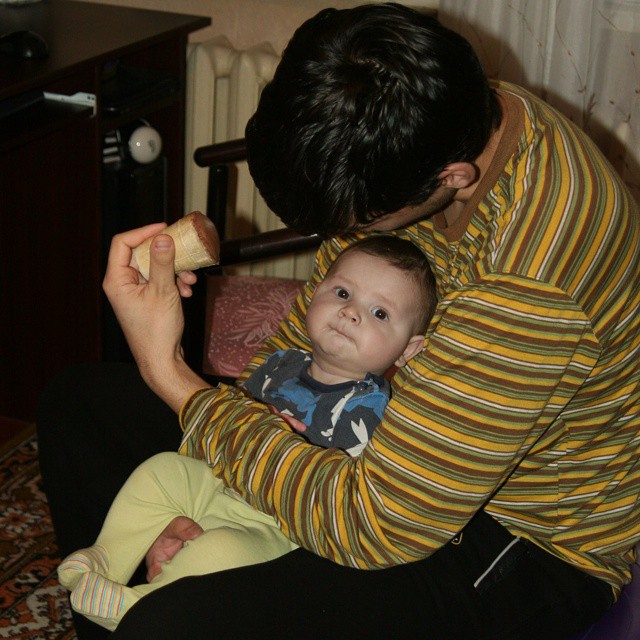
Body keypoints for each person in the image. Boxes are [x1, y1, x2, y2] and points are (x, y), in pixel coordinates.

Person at [37, 4, 640, 639]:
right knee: (80, 404)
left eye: (356, 225)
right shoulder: (436, 114)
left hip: (512, 531)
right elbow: (298, 352)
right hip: (367, 438)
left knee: (176, 622)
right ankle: (124, 599)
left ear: (453, 178)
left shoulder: (532, 282)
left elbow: (375, 524)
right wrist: (216, 484)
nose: (338, 243)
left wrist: (170, 373)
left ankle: (149, 610)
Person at [56, 236, 436, 631]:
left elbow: (347, 495)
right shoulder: (281, 363)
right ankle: (106, 559)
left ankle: (137, 607)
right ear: (314, 293)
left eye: (379, 313)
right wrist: (183, 494)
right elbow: (221, 428)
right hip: (224, 482)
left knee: (221, 550)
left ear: (407, 351)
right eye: (342, 293)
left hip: (277, 527)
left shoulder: (377, 408)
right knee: (160, 470)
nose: (351, 313)